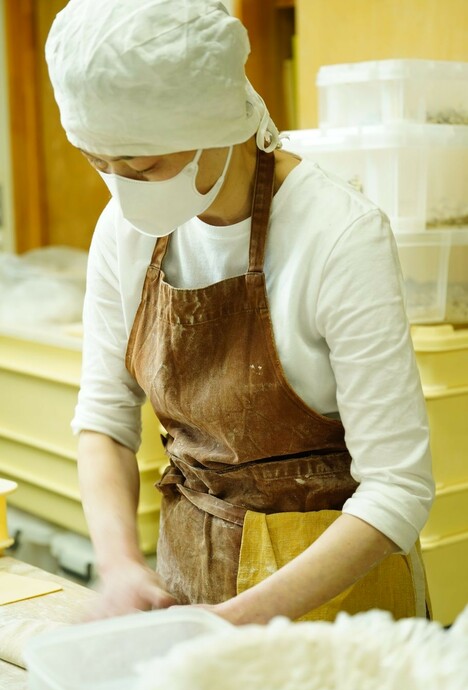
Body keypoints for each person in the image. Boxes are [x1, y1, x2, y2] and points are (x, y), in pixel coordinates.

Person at [45, 0, 434, 624]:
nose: (122, 189)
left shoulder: (338, 234)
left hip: (334, 602)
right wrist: (119, 565)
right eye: (101, 165)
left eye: (143, 166)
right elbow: (105, 417)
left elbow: (399, 489)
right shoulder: (122, 230)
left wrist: (230, 624)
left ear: (217, 122)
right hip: (190, 571)